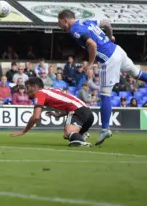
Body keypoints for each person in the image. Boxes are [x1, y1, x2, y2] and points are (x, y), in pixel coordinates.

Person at [58, 9, 147, 146]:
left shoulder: (74, 30)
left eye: (60, 24)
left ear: (65, 20)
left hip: (108, 58)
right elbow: (106, 23)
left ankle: (105, 129)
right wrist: (110, 36)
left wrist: (91, 63)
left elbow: (92, 44)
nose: (61, 27)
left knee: (105, 94)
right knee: (137, 74)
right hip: (117, 50)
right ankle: (105, 129)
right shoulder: (86, 21)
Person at [11, 77, 93, 147]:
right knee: (69, 136)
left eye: (27, 88)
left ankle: (82, 141)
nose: (26, 91)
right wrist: (59, 115)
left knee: (68, 133)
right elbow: (69, 102)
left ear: (35, 87)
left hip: (79, 111)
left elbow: (36, 116)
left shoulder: (39, 93)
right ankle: (80, 135)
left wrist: (24, 131)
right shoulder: (52, 90)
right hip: (88, 113)